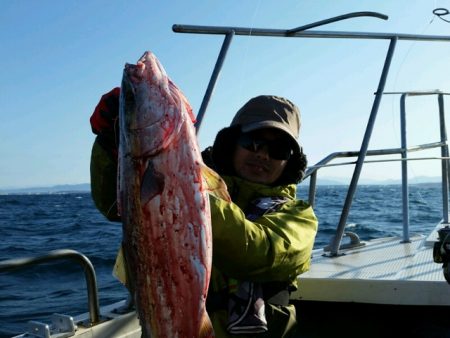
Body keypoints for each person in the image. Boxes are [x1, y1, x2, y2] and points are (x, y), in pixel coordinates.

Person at [89, 90, 318, 337]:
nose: (262, 155)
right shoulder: (183, 178)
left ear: (290, 161)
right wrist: (113, 141)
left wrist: (185, 189)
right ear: (232, 143)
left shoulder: (298, 216)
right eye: (253, 142)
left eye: (279, 150)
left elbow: (258, 253)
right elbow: (115, 204)